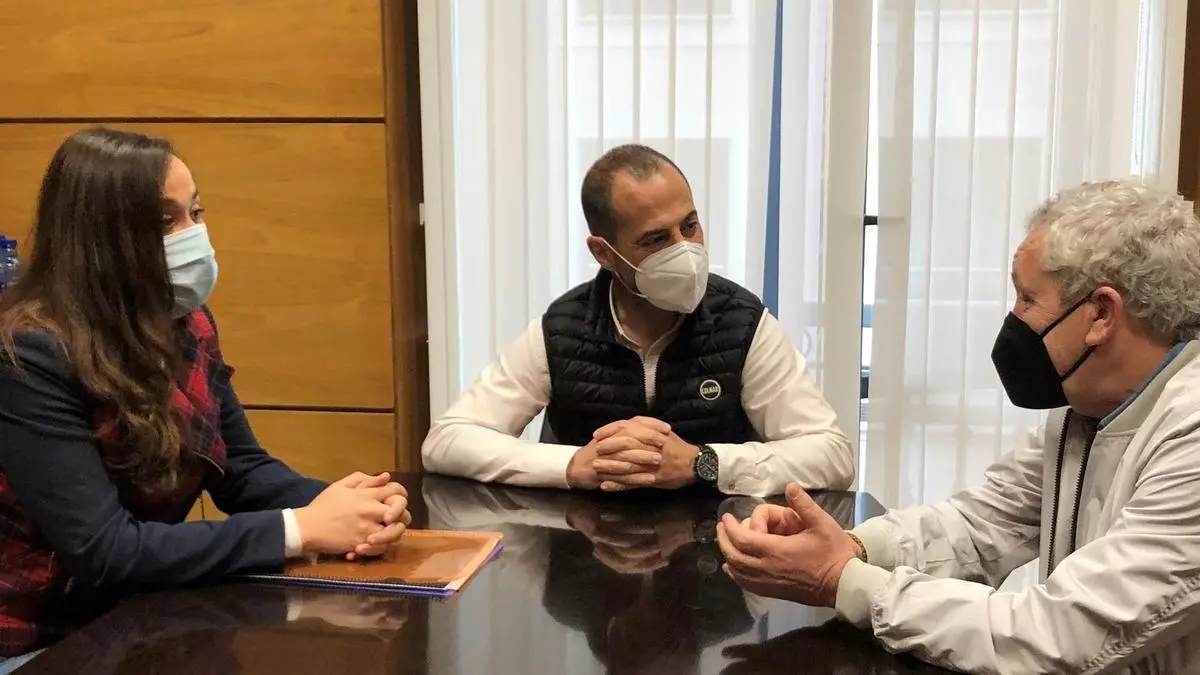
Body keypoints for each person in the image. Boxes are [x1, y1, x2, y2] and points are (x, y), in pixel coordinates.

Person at [716, 180, 1200, 673]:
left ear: (1100, 314)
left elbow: (1058, 633)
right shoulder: (1086, 411)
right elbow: (980, 523)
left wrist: (840, 579)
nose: (1014, 319)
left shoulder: (1191, 433)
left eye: (1028, 299)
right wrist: (854, 547)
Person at [0, 127, 412, 666]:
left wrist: (352, 508)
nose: (194, 235)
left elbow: (241, 470)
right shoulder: (31, 352)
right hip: (37, 637)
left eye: (196, 212)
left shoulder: (188, 323)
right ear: (100, 239)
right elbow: (107, 551)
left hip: (134, 617)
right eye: (165, 221)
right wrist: (300, 529)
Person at [423, 144, 853, 497]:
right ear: (604, 253)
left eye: (690, 226)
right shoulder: (562, 329)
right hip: (582, 558)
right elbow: (447, 441)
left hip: (716, 553)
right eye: (656, 239)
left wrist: (703, 463)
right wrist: (574, 464)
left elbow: (831, 455)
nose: (685, 250)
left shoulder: (743, 323)